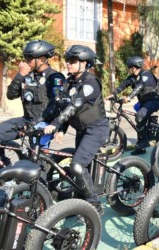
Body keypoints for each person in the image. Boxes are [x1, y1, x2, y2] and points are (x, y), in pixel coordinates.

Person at [44, 45, 109, 215]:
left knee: (78, 166)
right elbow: (64, 105)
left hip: (96, 130)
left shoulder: (91, 83)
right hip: (82, 130)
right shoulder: (70, 81)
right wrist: (62, 129)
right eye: (68, 61)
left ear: (85, 63)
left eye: (73, 61)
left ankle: (95, 205)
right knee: (81, 166)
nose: (68, 64)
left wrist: (56, 124)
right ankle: (82, 201)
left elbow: (74, 106)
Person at [0, 40, 65, 160]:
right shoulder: (27, 75)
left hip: (44, 123)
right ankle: (4, 166)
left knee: (36, 159)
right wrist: (20, 75)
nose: (26, 62)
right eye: (26, 58)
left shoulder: (54, 78)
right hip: (26, 120)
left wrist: (57, 128)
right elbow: (11, 95)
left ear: (42, 60)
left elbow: (56, 106)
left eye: (29, 59)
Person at [106, 56, 159, 155]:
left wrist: (129, 97)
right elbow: (123, 85)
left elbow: (139, 86)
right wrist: (113, 94)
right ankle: (141, 146)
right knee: (140, 122)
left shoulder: (146, 74)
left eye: (129, 67)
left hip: (154, 101)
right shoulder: (132, 77)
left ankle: (145, 140)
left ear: (134, 68)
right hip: (144, 102)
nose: (128, 69)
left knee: (139, 116)